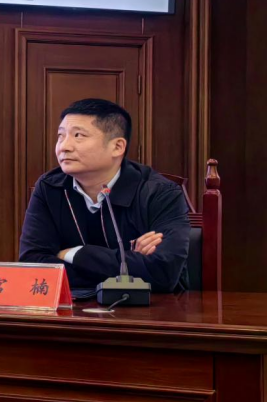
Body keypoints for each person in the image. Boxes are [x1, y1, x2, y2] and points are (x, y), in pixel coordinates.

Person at [19, 99, 190, 292]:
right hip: (73, 307)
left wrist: (75, 254)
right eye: (61, 136)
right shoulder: (49, 187)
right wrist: (129, 262)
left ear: (117, 146)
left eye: (78, 135)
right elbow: (33, 266)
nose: (64, 146)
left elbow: (163, 273)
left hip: (150, 308)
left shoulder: (160, 193)